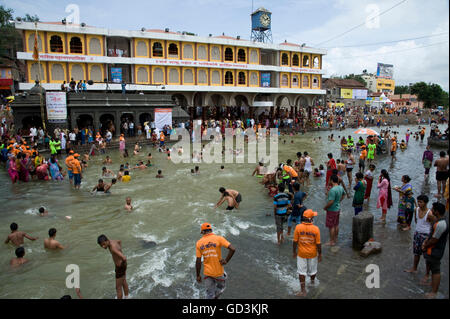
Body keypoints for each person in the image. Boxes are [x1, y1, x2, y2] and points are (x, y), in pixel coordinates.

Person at [195, 223, 235, 299]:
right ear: (211, 230)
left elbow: (198, 261)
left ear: (203, 232)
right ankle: (216, 297)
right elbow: (233, 249)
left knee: (209, 294)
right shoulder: (219, 238)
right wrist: (226, 260)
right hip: (218, 273)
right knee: (221, 288)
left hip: (207, 273)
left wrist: (198, 275)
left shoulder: (199, 243)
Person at [421, 202, 448, 298]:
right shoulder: (439, 221)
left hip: (435, 250)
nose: (431, 210)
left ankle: (434, 292)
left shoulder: (441, 224)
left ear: (436, 211)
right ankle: (433, 285)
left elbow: (434, 239)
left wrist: (425, 244)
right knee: (433, 268)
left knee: (436, 270)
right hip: (433, 249)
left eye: (433, 209)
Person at [292, 209, 321, 297]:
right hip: (312, 253)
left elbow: (295, 241)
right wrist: (320, 254)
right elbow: (318, 243)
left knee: (302, 272)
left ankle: (303, 291)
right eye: (313, 217)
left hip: (301, 253)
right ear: (311, 218)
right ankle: (312, 282)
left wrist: (294, 251)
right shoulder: (316, 229)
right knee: (313, 270)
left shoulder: (298, 227)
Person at [404, 195, 433, 275]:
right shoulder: (416, 210)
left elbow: (432, 226)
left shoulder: (429, 213)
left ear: (426, 203)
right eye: (418, 202)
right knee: (416, 253)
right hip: (417, 233)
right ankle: (414, 268)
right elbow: (416, 221)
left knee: (427, 256)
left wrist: (428, 238)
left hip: (426, 235)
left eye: (421, 202)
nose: (419, 204)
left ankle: (427, 274)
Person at [97, 234, 129, 299]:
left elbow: (124, 258)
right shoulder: (113, 241)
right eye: (101, 246)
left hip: (120, 268)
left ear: (107, 241)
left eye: (104, 244)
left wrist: (121, 265)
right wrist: (120, 250)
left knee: (118, 288)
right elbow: (119, 241)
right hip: (122, 267)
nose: (103, 247)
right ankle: (127, 297)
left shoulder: (113, 248)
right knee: (123, 282)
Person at [323, 175, 345, 246]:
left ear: (332, 180)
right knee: (336, 224)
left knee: (331, 226)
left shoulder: (332, 190)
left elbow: (331, 201)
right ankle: (335, 239)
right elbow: (343, 195)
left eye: (330, 180)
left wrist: (325, 207)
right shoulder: (340, 187)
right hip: (337, 208)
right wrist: (338, 201)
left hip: (332, 210)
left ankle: (331, 241)